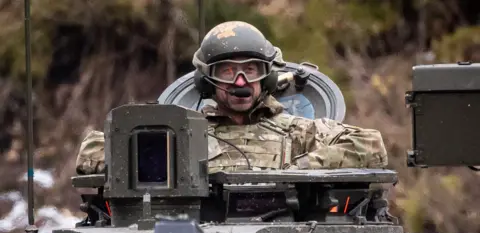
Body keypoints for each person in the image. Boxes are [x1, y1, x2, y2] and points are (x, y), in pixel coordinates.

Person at [76, 21, 388, 175]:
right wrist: (163, 163)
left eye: (250, 69)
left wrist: (297, 170)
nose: (241, 82)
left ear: (266, 76)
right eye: (227, 72)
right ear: (207, 80)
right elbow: (93, 149)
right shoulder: (183, 136)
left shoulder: (299, 132)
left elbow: (370, 145)